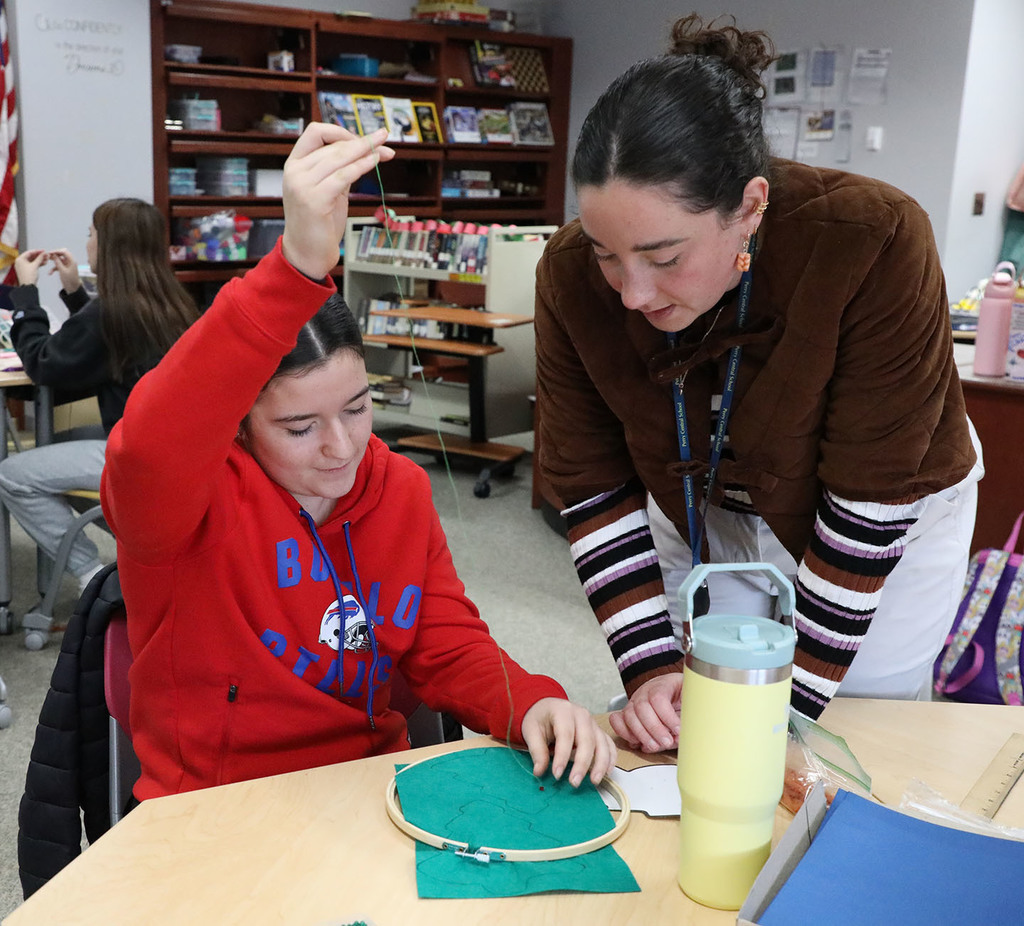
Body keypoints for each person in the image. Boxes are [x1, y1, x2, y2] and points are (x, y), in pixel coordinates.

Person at [100, 123, 616, 801]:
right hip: (215, 811)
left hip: (368, 795)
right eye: (298, 426)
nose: (341, 447)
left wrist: (532, 703)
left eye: (356, 406)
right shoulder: (182, 502)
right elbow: (148, 445)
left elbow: (444, 637)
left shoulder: (397, 488)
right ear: (239, 426)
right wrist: (293, 270)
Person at [534, 14, 984, 753]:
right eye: (607, 253)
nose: (632, 294)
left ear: (748, 207)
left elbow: (870, 505)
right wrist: (648, 670)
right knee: (692, 703)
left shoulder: (873, 239)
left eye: (664, 256)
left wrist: (787, 706)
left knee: (843, 732)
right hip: (703, 494)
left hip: (883, 505)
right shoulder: (568, 274)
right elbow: (589, 484)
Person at [0, 198, 198, 593]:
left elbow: (44, 364)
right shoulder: (172, 303)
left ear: (106, 246)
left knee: (13, 475)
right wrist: (75, 291)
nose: (87, 242)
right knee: (56, 448)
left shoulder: (111, 313)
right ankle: (125, 540)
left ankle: (90, 571)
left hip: (138, 455)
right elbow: (101, 347)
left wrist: (25, 293)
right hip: (176, 452)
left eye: (90, 235)